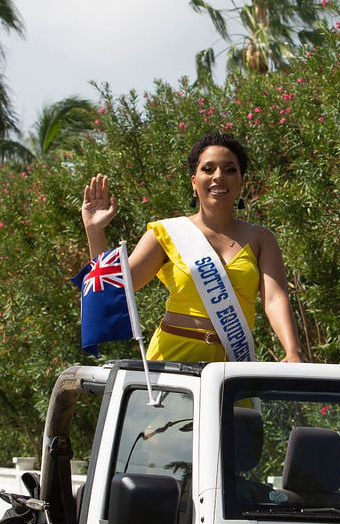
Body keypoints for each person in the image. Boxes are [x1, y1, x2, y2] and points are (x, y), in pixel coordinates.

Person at [80, 133, 304, 363]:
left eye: (229, 170)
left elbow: (275, 298)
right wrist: (95, 230)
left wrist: (293, 350)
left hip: (233, 364)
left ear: (241, 182)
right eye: (208, 169)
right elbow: (117, 286)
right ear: (194, 182)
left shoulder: (261, 238)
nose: (218, 176)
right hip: (172, 361)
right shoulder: (166, 233)